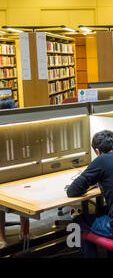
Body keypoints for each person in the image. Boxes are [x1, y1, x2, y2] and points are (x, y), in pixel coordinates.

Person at [0, 98, 30, 250]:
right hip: (2, 174)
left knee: (26, 195)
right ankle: (1, 238)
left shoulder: (20, 129)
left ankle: (24, 233)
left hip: (19, 169)